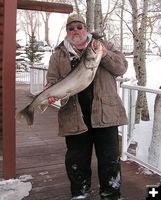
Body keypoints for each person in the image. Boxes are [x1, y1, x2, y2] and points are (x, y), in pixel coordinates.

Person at [46, 13, 128, 200]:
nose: (75, 30)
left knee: (110, 161)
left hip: (104, 115)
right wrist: (51, 93)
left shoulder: (104, 46)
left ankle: (111, 195)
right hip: (74, 116)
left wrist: (105, 55)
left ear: (85, 28)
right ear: (67, 31)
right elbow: (52, 80)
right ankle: (80, 195)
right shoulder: (58, 54)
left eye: (79, 26)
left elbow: (122, 67)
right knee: (77, 161)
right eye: (71, 28)